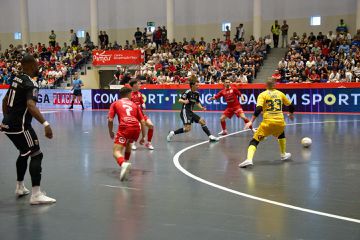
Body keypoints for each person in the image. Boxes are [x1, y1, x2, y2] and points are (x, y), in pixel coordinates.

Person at [0, 54, 56, 204]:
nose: (38, 67)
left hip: (7, 125)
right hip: (21, 126)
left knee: (24, 153)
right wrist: (46, 124)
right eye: (36, 65)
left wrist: (6, 119)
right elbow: (31, 106)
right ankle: (36, 195)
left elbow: (5, 100)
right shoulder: (31, 83)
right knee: (36, 154)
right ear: (31, 65)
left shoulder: (16, 79)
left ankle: (19, 187)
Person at [239, 78, 294, 168]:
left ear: (266, 85)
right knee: (281, 133)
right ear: (275, 84)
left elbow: (258, 109)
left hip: (268, 123)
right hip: (280, 122)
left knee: (254, 141)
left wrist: (251, 121)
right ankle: (283, 154)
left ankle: (249, 159)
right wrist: (291, 114)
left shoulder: (262, 95)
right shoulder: (280, 94)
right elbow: (291, 106)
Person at [107, 87, 145, 181]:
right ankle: (126, 162)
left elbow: (110, 119)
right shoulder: (134, 104)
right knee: (128, 143)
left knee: (116, 152)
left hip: (125, 127)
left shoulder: (115, 103)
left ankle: (123, 164)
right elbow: (143, 121)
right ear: (129, 94)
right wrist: (143, 136)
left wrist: (110, 131)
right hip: (136, 127)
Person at [129, 80, 155, 150]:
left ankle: (148, 143)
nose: (140, 85)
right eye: (138, 84)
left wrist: (143, 105)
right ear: (134, 85)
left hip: (141, 115)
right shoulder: (129, 95)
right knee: (139, 128)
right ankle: (133, 143)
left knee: (151, 125)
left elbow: (142, 102)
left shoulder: (139, 94)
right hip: (133, 116)